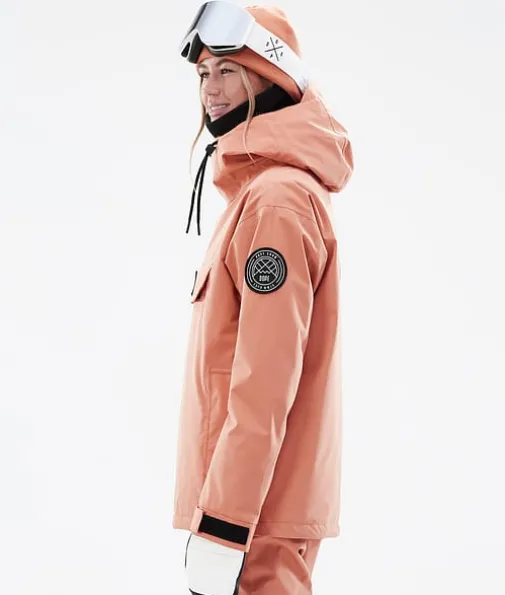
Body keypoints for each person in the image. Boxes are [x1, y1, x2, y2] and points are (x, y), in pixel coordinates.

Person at [172, 2, 354, 593]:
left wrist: (224, 527)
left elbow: (265, 381)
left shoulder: (276, 201)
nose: (211, 89)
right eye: (204, 74)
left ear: (271, 75)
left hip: (256, 524)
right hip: (256, 512)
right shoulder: (259, 196)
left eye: (228, 70)